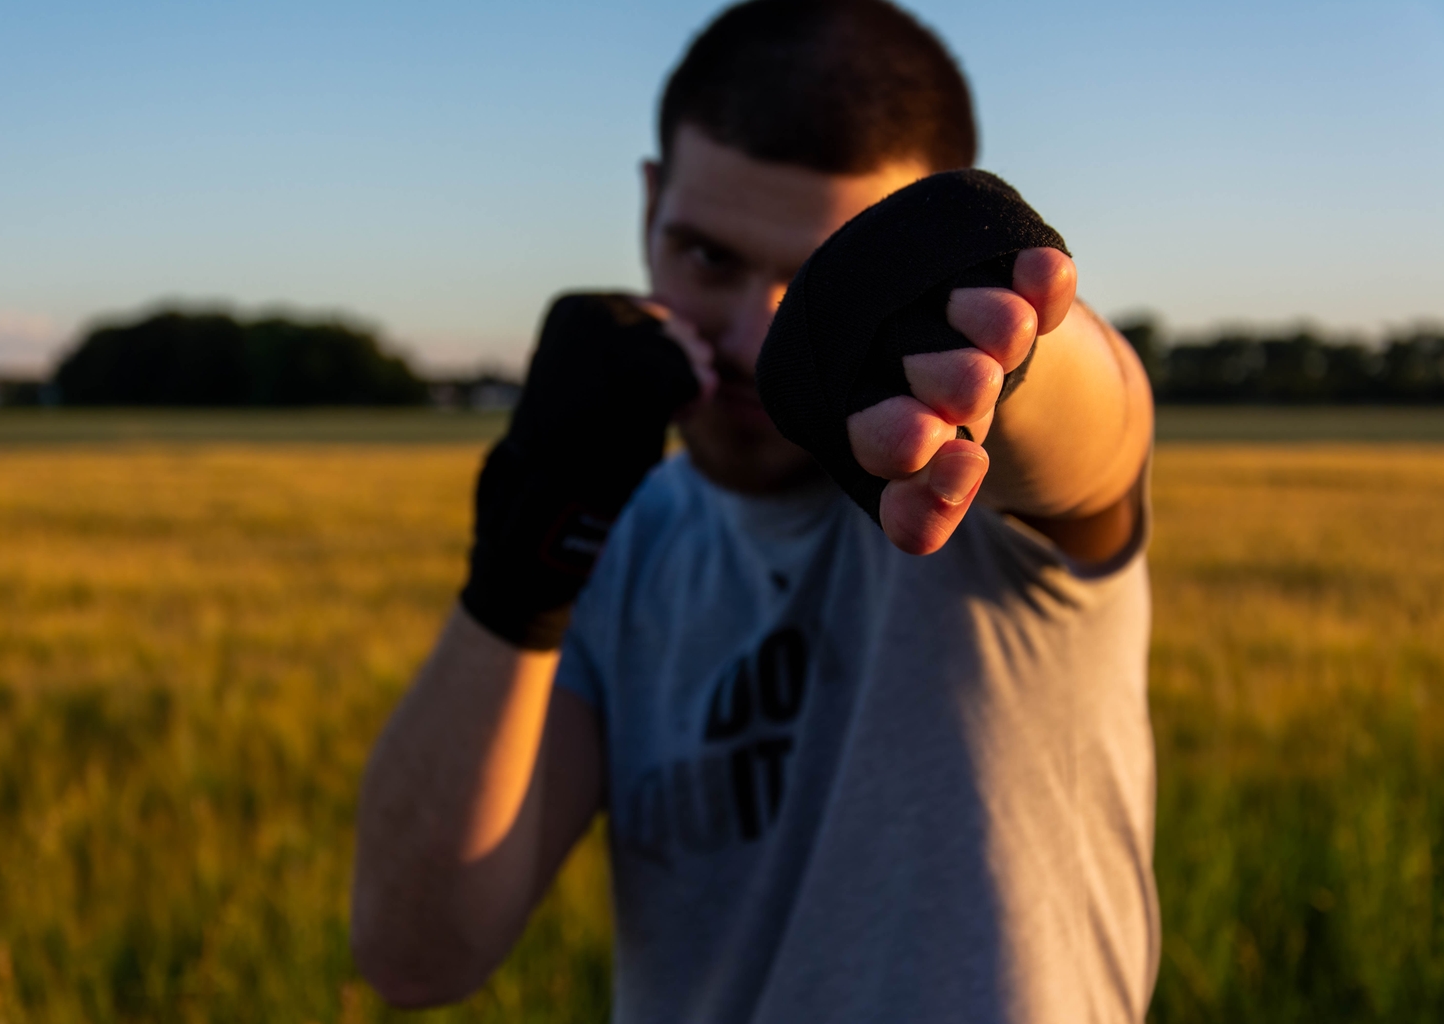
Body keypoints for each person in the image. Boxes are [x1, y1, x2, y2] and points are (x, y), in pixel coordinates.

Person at [351, 1, 1158, 1021]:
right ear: (651, 203)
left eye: (826, 282)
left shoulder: (974, 492)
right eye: (708, 258)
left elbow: (1104, 432)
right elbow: (415, 957)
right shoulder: (616, 532)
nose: (752, 338)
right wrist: (524, 555)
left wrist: (1005, 348)